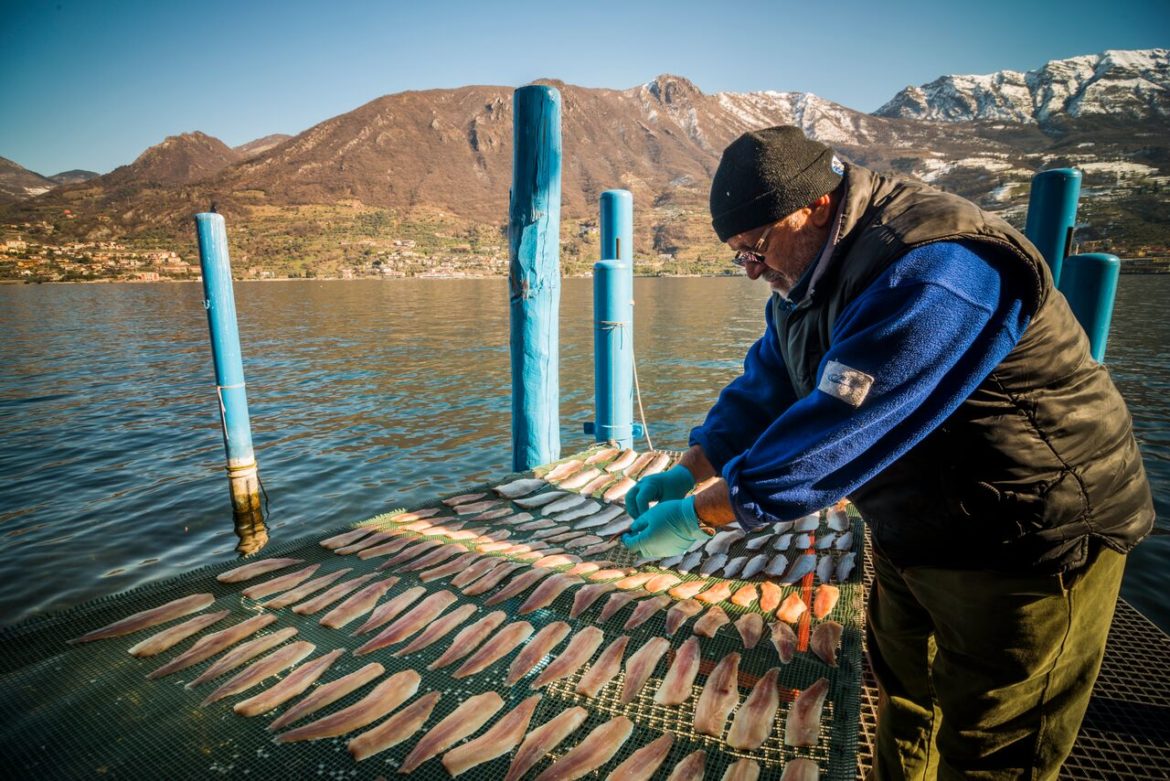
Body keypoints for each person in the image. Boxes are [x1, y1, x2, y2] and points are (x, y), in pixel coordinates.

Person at [620, 126, 1154, 780]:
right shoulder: (801, 276)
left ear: (815, 205)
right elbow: (765, 386)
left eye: (756, 247)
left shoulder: (935, 263)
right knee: (903, 693)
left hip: (1029, 536)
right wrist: (689, 468)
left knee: (992, 744)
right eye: (739, 256)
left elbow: (839, 428)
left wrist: (702, 515)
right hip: (917, 523)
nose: (752, 270)